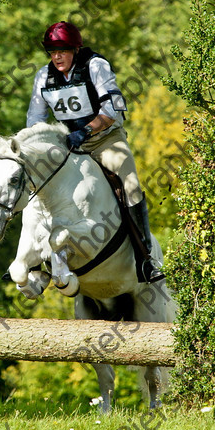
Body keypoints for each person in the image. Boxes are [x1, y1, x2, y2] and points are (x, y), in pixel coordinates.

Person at [27, 21, 164, 283]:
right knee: (32, 185)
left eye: (63, 51)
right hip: (67, 146)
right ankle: (32, 261)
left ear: (75, 50)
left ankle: (146, 258)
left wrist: (86, 131)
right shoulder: (43, 76)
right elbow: (34, 120)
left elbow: (112, 111)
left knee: (132, 185)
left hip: (104, 140)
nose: (57, 57)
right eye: (52, 52)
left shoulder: (95, 66)